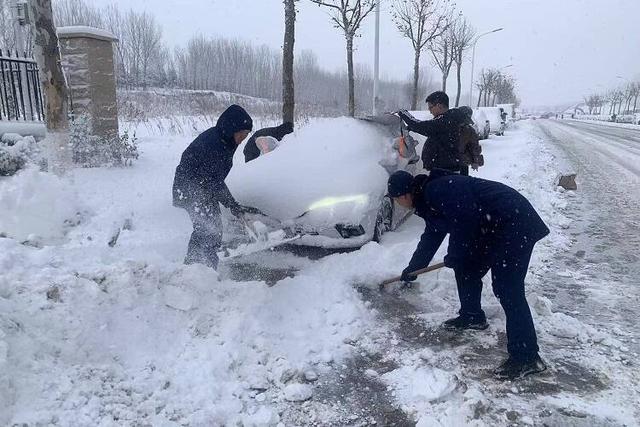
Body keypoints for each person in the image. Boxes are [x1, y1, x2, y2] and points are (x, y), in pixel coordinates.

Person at [387, 169, 550, 380]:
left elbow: (464, 219)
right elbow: (432, 236)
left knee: (507, 288)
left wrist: (455, 253)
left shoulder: (437, 190)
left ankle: (527, 357)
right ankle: (472, 316)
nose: (399, 204)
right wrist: (413, 269)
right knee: (466, 268)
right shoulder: (427, 201)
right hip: (493, 226)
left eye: (396, 200)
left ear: (403, 196)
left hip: (514, 222)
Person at [172, 105, 260, 270]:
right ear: (231, 128)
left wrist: (232, 205)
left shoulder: (225, 140)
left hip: (202, 188)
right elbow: (213, 181)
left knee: (210, 229)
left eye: (246, 134)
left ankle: (199, 270)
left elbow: (214, 179)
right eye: (241, 133)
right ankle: (197, 270)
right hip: (190, 189)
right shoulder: (214, 144)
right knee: (208, 230)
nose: (243, 138)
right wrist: (233, 206)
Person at [397, 91, 468, 173]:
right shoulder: (449, 119)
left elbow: (421, 126)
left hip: (447, 172)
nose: (430, 111)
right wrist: (410, 128)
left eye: (431, 107)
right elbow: (431, 129)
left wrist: (403, 113)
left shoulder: (447, 120)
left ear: (439, 105)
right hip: (446, 170)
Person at [457, 106, 484, 176]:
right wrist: (475, 161)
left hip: (459, 162)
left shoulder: (468, 130)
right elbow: (474, 147)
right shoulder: (469, 130)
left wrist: (475, 161)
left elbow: (474, 147)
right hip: (459, 162)